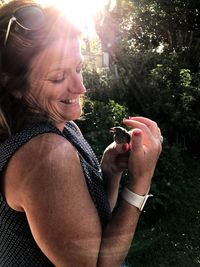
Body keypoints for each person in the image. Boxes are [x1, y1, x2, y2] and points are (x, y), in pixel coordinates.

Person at [0, 0, 162, 266]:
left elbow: (95, 231)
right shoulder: (46, 156)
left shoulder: (61, 128)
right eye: (57, 77)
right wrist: (140, 182)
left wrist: (109, 172)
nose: (81, 88)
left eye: (78, 68)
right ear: (12, 84)